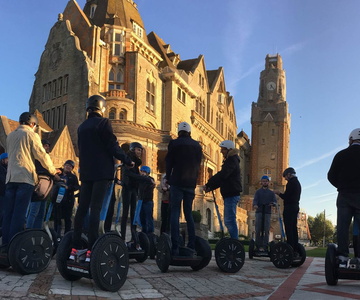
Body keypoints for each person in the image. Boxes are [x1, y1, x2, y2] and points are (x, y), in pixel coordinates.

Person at [70, 95, 133, 262]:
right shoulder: (103, 123)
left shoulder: (82, 127)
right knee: (96, 208)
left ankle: (75, 247)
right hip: (101, 172)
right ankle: (91, 248)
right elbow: (112, 145)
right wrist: (127, 160)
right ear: (102, 108)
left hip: (86, 173)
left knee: (82, 208)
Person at [2, 112, 60, 245]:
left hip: (10, 179)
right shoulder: (31, 134)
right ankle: (14, 246)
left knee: (8, 214)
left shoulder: (10, 136)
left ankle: (5, 245)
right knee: (19, 214)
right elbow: (42, 155)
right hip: (25, 179)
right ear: (32, 124)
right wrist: (53, 172)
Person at [166, 122, 202, 256]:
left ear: (179, 131)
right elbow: (198, 165)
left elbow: (169, 162)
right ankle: (191, 245)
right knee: (188, 214)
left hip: (177, 182)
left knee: (175, 213)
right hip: (190, 184)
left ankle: (175, 246)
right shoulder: (197, 146)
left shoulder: (174, 144)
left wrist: (168, 178)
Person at [328, 128, 360, 268]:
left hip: (344, 196)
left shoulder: (341, 155)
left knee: (342, 226)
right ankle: (359, 257)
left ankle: (342, 257)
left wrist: (341, 186)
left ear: (351, 140)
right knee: (358, 227)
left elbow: (331, 176)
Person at [204, 140, 242, 239]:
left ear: (229, 149)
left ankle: (235, 242)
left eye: (223, 149)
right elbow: (224, 179)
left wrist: (209, 183)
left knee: (229, 220)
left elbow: (223, 175)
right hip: (230, 194)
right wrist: (211, 187)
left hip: (231, 194)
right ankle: (234, 241)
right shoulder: (231, 160)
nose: (221, 151)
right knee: (229, 220)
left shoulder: (232, 160)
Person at [120, 142, 154, 250]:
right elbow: (128, 174)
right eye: (138, 150)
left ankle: (135, 240)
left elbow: (136, 176)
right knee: (125, 214)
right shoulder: (128, 159)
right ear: (132, 149)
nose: (139, 152)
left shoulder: (137, 163)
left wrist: (147, 180)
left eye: (140, 150)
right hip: (127, 188)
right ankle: (122, 239)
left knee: (134, 215)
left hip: (134, 189)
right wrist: (144, 178)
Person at [274, 167, 301, 256]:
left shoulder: (291, 183)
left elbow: (287, 197)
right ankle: (295, 247)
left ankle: (291, 247)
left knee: (289, 228)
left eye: (285, 176)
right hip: (295, 206)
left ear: (289, 174)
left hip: (290, 207)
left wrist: (279, 193)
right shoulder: (297, 183)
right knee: (293, 228)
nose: (285, 178)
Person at [26, 139, 52, 229]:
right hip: (38, 185)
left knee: (41, 212)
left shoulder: (47, 157)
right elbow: (43, 170)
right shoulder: (37, 158)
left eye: (48, 146)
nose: (47, 147)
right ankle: (29, 230)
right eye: (45, 145)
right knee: (34, 211)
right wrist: (53, 173)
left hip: (46, 187)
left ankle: (37, 231)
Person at [53, 160, 80, 236]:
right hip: (57, 199)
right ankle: (56, 234)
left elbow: (76, 186)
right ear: (64, 165)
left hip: (68, 199)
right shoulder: (58, 174)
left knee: (67, 218)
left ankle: (67, 234)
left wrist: (68, 187)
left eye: (70, 166)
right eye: (67, 165)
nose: (68, 167)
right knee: (57, 218)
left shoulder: (73, 177)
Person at [252, 175, 277, 252]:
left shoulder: (271, 193)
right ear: (261, 182)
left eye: (266, 181)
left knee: (266, 229)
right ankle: (258, 246)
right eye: (263, 181)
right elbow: (255, 200)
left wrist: (273, 204)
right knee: (258, 229)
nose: (264, 182)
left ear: (268, 182)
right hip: (259, 211)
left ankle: (265, 246)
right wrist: (255, 205)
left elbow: (275, 201)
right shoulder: (258, 192)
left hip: (267, 212)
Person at [139, 166, 156, 234]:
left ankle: (150, 232)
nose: (143, 173)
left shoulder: (150, 179)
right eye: (142, 172)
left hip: (148, 201)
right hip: (141, 200)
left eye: (144, 172)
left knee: (148, 217)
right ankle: (144, 231)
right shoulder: (140, 180)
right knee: (142, 217)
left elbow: (152, 185)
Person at [0, 153, 8, 226]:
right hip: (2, 193)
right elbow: (3, 181)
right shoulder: (2, 169)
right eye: (7, 159)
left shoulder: (6, 169)